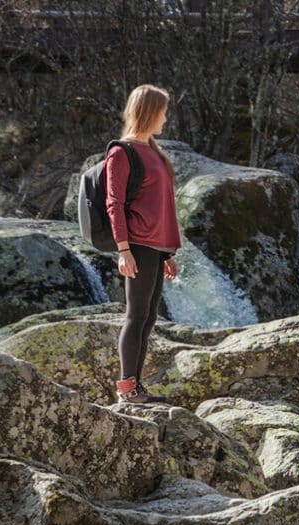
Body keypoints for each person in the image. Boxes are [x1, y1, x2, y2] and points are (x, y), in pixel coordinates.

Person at [105, 84, 181, 403]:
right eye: (162, 110)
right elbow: (114, 203)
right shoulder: (122, 152)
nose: (166, 116)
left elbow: (160, 204)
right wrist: (123, 249)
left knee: (148, 317)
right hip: (136, 245)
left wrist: (166, 254)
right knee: (136, 316)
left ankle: (136, 387)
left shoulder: (155, 152)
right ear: (149, 112)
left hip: (155, 247)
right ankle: (126, 388)